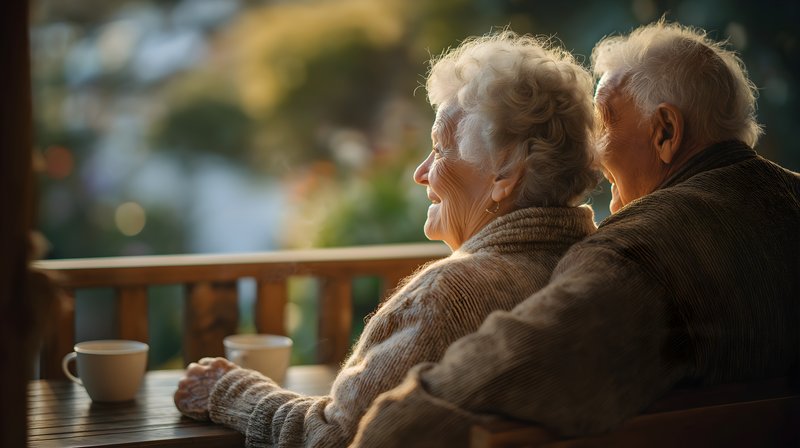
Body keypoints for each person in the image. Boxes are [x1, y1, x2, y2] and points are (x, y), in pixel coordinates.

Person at [351, 20, 800, 447]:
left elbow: (498, 373)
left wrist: (382, 427)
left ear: (666, 131)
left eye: (605, 126)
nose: (595, 157)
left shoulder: (639, 251)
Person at [173, 31, 600, 447]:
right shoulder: (595, 273)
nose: (420, 172)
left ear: (505, 174)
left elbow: (333, 438)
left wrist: (232, 392)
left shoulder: (449, 297)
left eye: (440, 148)